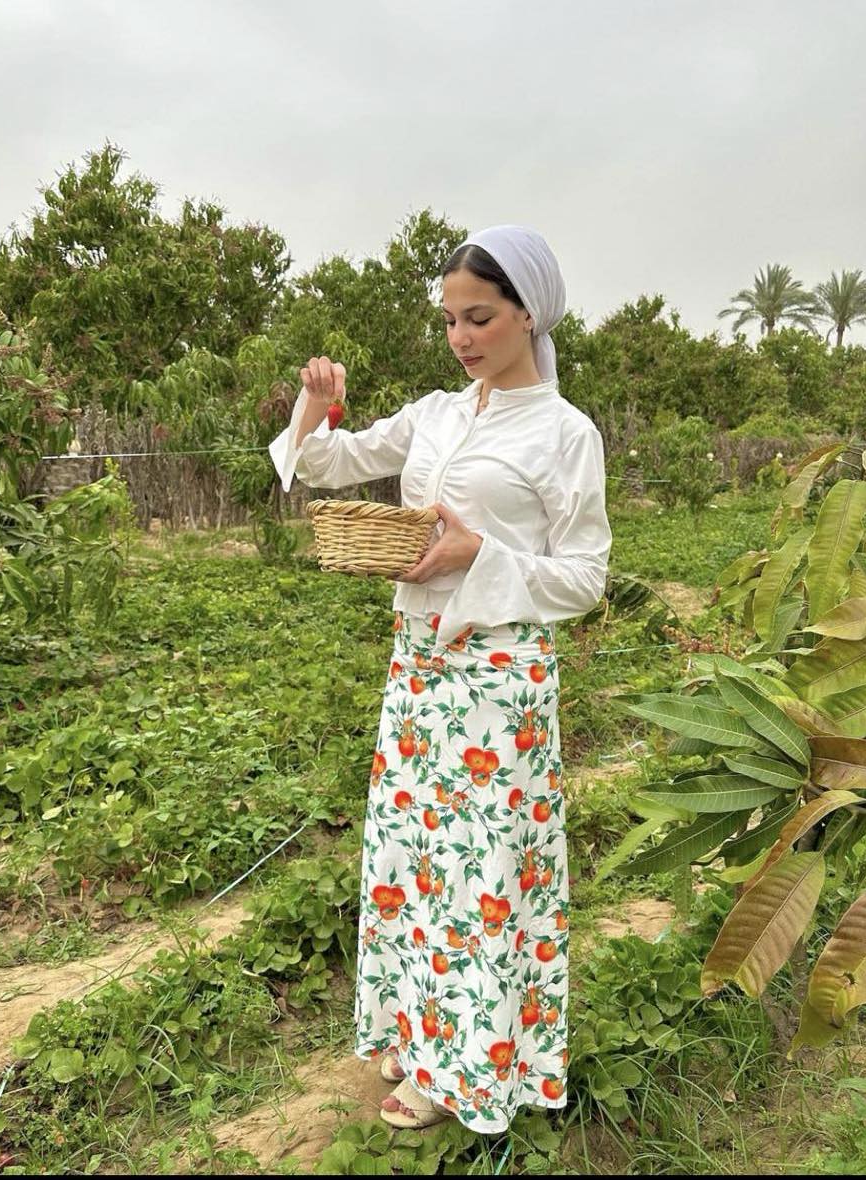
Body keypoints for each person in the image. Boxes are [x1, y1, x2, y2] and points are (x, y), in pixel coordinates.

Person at [268, 224, 612, 1133]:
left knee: (484, 878)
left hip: (499, 675)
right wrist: (315, 405)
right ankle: (417, 1032)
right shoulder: (436, 413)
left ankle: (468, 1067)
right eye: (452, 319)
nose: (462, 337)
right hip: (418, 667)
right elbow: (328, 465)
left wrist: (479, 551)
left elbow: (584, 576)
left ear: (527, 314)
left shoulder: (566, 434)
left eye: (480, 317)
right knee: (414, 863)